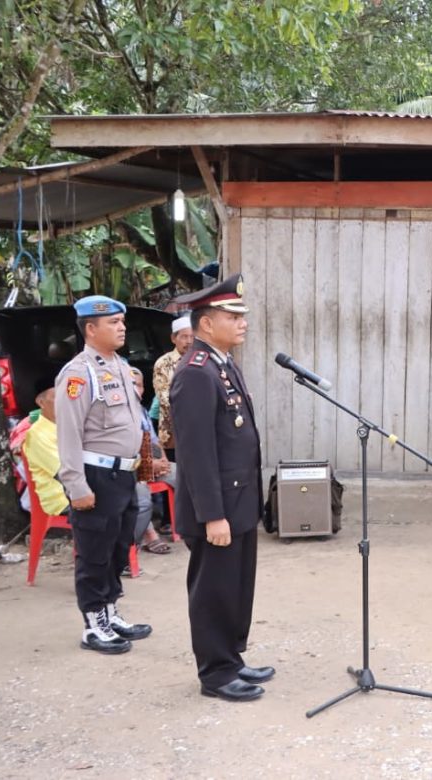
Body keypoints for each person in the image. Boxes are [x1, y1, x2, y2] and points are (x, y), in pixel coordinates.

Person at [170, 274, 272, 702]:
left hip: (238, 500)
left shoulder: (222, 364)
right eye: (233, 316)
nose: (242, 323)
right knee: (213, 589)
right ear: (206, 324)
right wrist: (213, 514)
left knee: (236, 585)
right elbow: (195, 454)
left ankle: (231, 657)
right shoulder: (195, 373)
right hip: (217, 508)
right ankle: (215, 673)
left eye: (242, 316)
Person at [55, 295, 152, 654]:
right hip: (95, 477)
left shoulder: (120, 367)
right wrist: (75, 485)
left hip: (123, 476)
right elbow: (68, 433)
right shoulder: (78, 374)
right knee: (94, 552)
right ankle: (93, 625)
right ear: (90, 329)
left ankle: (111, 613)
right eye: (113, 322)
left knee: (117, 548)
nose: (122, 327)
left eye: (122, 321)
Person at [128, 367, 174, 556]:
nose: (136, 389)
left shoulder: (141, 411)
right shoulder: (117, 412)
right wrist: (148, 465)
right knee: (141, 498)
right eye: (132, 384)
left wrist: (162, 459)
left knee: (188, 476)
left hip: (150, 466)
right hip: (131, 471)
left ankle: (196, 528)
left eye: (139, 385)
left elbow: (154, 441)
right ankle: (143, 538)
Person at [23, 383, 69, 516]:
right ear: (41, 402)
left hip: (83, 486)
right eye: (57, 398)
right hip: (62, 498)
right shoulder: (37, 434)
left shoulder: (70, 426)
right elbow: (64, 473)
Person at [152, 316, 193, 461]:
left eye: (192, 337)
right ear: (173, 338)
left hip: (199, 432)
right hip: (173, 435)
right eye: (184, 337)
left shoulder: (201, 360)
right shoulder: (164, 363)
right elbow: (164, 399)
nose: (189, 341)